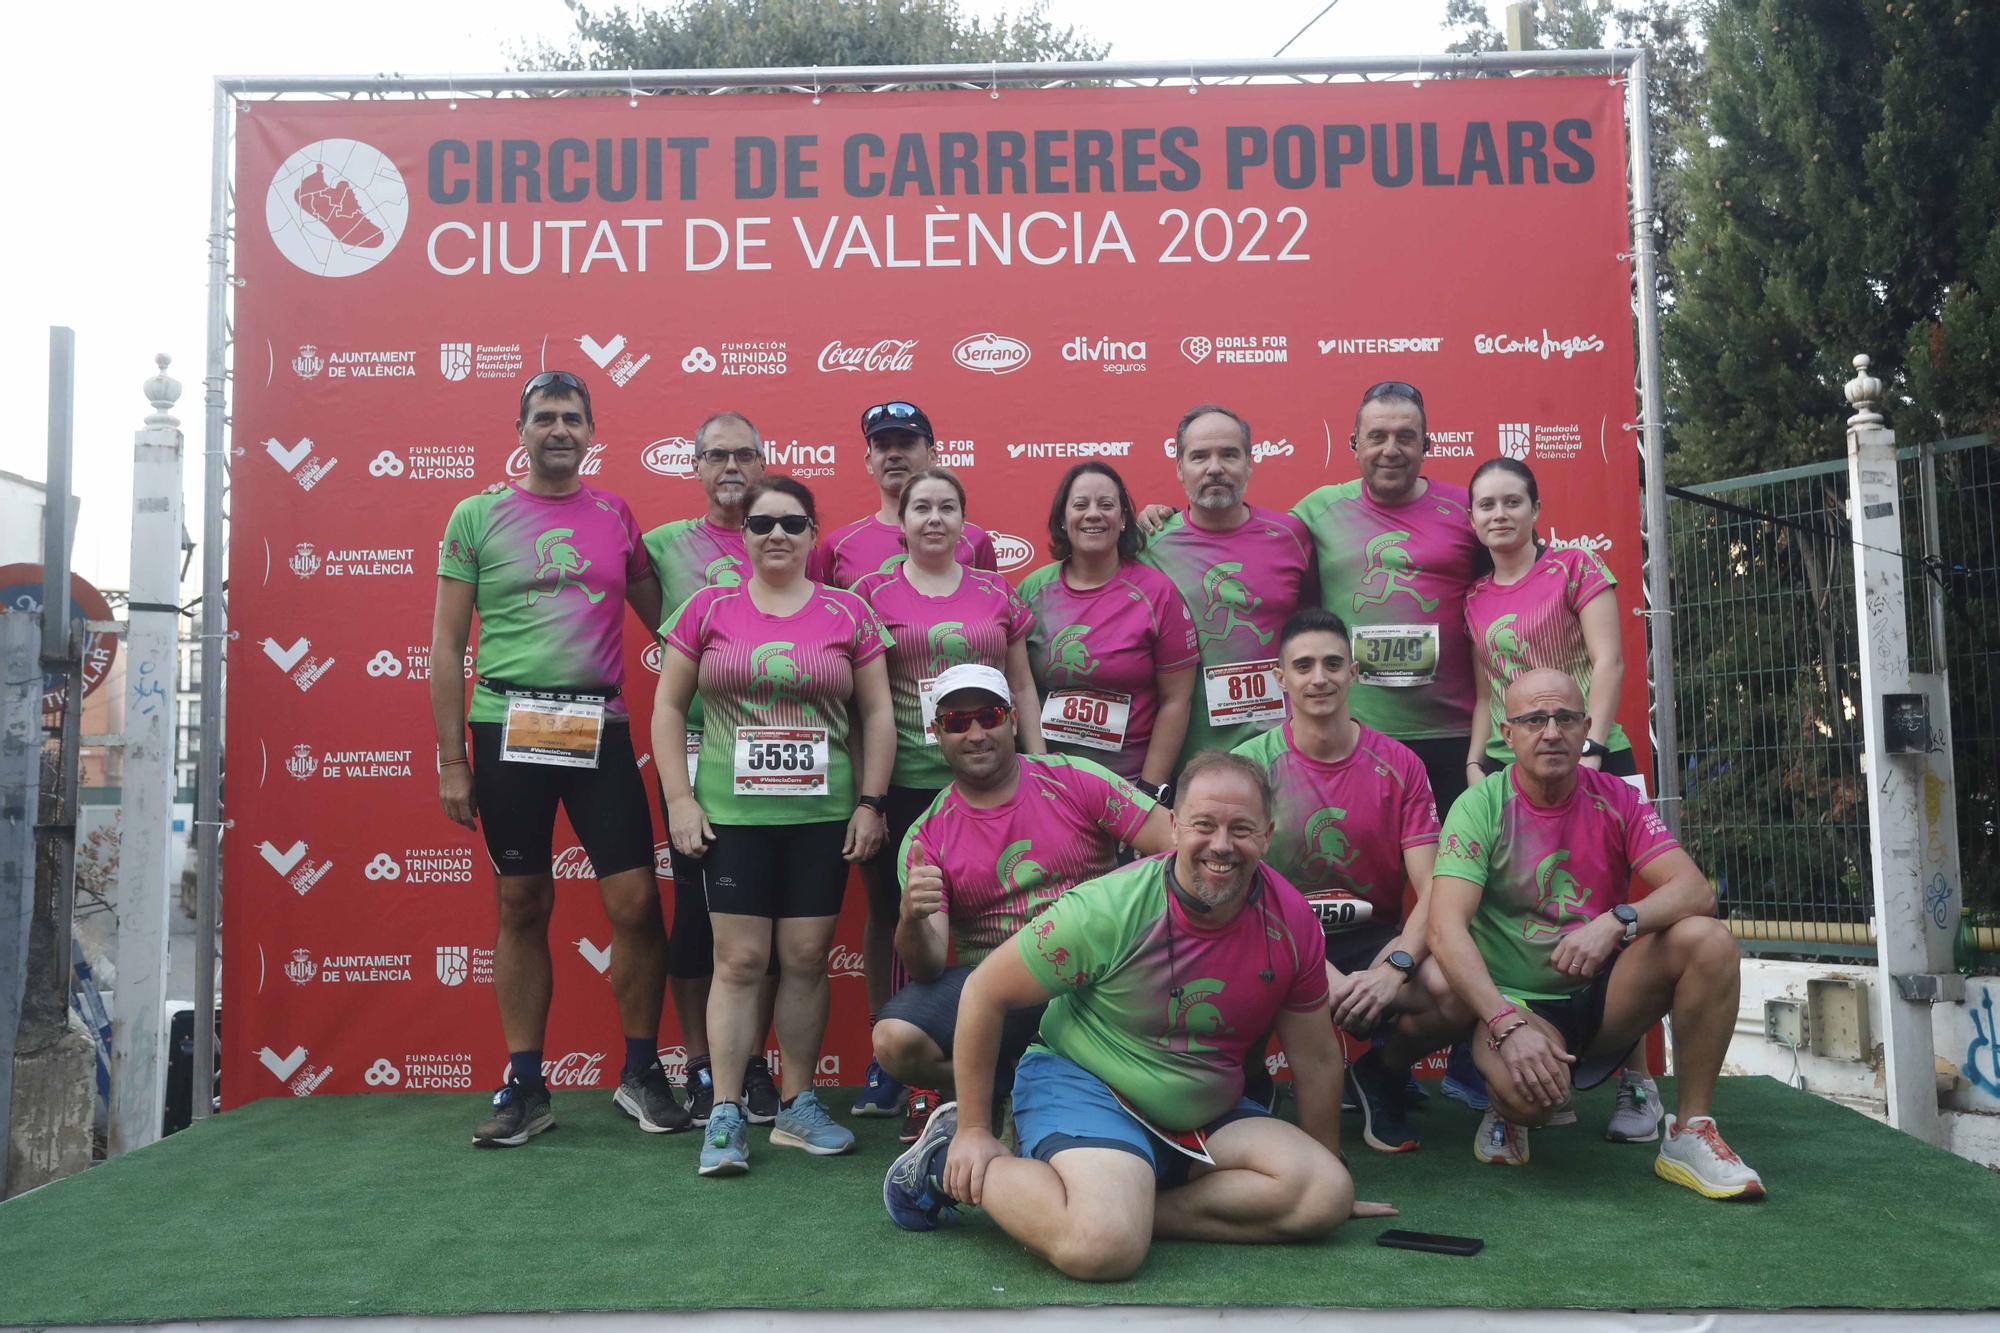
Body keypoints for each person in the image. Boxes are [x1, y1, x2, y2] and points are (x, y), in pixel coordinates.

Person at [883, 752, 1394, 1279]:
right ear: (1173, 826)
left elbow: (1313, 1054)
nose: (1221, 844)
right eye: (1203, 825)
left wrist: (1330, 1158)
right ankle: (947, 1163)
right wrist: (971, 1128)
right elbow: (983, 990)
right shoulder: (1109, 908)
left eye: (1240, 829)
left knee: (1325, 1195)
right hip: (1089, 1087)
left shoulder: (1292, 921)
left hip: (1201, 1114)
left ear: (1266, 835)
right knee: (1102, 1248)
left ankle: (1135, 1207)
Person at [432, 370, 683, 1147]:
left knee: (637, 903)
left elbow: (672, 622)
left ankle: (640, 1071)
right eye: (544, 417)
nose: (559, 429)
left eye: (573, 417)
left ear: (591, 429)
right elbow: (445, 645)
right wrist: (451, 758)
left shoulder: (615, 514)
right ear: (521, 430)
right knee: (522, 903)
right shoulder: (477, 515)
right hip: (505, 725)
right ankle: (527, 1084)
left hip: (595, 726)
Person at [1408, 669, 1763, 1199]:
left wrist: (1617, 920)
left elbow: (1694, 891)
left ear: (1586, 728)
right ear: (1509, 735)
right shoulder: (1479, 805)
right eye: (1533, 720)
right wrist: (1504, 1021)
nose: (1550, 732)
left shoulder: (1617, 797)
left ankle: (1690, 1132)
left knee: (1708, 940)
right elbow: (1444, 927)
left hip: (1603, 996)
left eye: (1565, 719)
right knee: (1534, 1102)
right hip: (1518, 1002)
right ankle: (1507, 1109)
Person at [653, 476, 896, 1176]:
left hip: (821, 817)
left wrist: (871, 803)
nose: (777, 534)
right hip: (733, 816)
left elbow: (877, 715)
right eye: (762, 524)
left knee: (806, 959)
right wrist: (680, 800)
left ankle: (794, 1105)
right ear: (745, 534)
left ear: (814, 532)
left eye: (792, 522)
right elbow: (669, 709)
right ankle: (725, 1113)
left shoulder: (849, 612)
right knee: (738, 961)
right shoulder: (707, 607)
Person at [874, 663, 1173, 1142]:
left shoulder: (1073, 779)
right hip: (999, 985)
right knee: (895, 1040)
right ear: (937, 733)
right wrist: (909, 920)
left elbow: (1174, 842)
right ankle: (1001, 1086)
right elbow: (929, 965)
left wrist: (1127, 915)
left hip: (1095, 971)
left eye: (989, 716)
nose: (976, 733)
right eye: (957, 722)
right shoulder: (926, 835)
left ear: (1013, 719)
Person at [848, 468, 1043, 1120]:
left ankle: (1014, 1053)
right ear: (900, 522)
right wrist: (869, 798)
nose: (934, 518)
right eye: (921, 508)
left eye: (947, 507)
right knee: (895, 915)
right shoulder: (868, 592)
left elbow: (1022, 687)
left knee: (1007, 907)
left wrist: (1040, 768)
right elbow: (863, 702)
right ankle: (893, 1061)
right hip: (908, 783)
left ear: (965, 521)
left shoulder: (996, 591)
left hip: (997, 781)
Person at [1232, 609, 1441, 1153]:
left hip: (1375, 944)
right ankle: (1250, 1083)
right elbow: (1238, 889)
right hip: (1278, 938)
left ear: (1352, 672)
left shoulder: (1401, 765)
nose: (1318, 677)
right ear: (1281, 678)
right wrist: (1321, 971)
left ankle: (1381, 1073)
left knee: (1452, 985)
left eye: (1331, 664)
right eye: (1303, 666)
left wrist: (1395, 970)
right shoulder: (1249, 768)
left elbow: (1434, 890)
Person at [641, 411, 781, 1124]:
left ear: (764, 463)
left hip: (782, 755)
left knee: (766, 918)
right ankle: (700, 1064)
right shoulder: (662, 546)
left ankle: (750, 1060)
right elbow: (645, 613)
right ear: (694, 466)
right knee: (697, 915)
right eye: (716, 455)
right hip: (697, 751)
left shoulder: (790, 533)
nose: (731, 466)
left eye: (744, 454)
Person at [1290, 382, 1482, 813]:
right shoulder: (1318, 510)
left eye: (1405, 437)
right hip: (1356, 735)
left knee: (1456, 875)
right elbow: (1250, 545)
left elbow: (1523, 582)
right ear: (1354, 444)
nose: (1390, 449)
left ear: (1426, 445)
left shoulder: (1469, 510)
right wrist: (1165, 520)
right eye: (1377, 436)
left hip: (1455, 738)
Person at [1137, 405, 1318, 770]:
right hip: (1190, 755)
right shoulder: (1148, 543)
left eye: (1229, 454)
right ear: (1179, 468)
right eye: (1200, 456)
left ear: (1249, 463)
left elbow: (1316, 627)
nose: (1215, 467)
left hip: (1284, 751)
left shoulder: (1291, 536)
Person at [1019, 462, 1199, 796]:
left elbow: (1177, 699)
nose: (1093, 515)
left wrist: (1149, 789)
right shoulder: (1032, 591)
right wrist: (1038, 773)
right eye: (1080, 505)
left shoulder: (1157, 592)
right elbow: (1018, 687)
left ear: (1123, 519)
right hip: (1052, 785)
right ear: (1062, 518)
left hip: (1129, 786)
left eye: (1106, 505)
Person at [1463, 457, 1633, 781]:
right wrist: (1474, 764)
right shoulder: (1473, 599)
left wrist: (1591, 749)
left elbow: (1609, 661)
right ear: (1473, 518)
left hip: (1587, 755)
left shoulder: (1576, 568)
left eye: (1512, 502)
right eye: (1487, 505)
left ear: (1535, 509)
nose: (1499, 514)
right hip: (1507, 764)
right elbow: (1487, 696)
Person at [814, 401, 998, 588]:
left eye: (906, 444)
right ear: (869, 462)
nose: (893, 454)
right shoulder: (838, 546)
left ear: (932, 456)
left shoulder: (974, 541)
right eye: (882, 446)